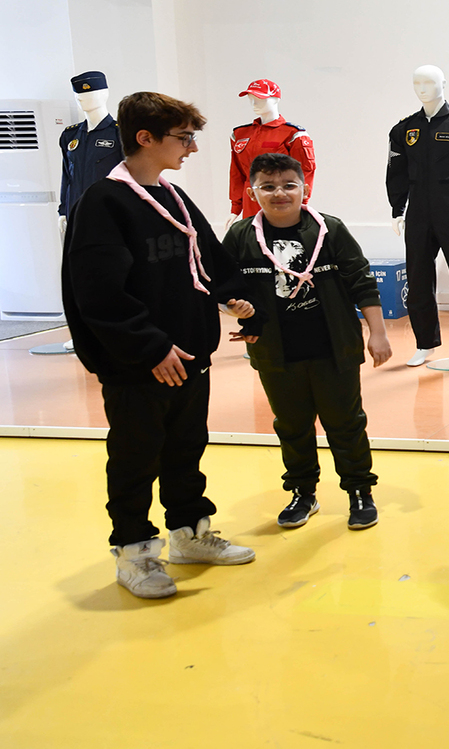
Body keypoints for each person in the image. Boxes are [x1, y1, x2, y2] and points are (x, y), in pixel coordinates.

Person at [62, 91, 259, 600]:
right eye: (184, 138)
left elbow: (207, 257)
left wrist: (235, 297)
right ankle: (134, 553)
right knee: (135, 458)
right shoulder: (103, 203)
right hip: (140, 363)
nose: (192, 148)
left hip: (189, 355)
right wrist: (149, 347)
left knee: (185, 450)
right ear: (145, 138)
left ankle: (189, 534)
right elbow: (97, 293)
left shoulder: (173, 196)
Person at [223, 152, 392, 532]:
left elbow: (361, 280)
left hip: (334, 348)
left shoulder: (329, 229)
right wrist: (234, 309)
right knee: (291, 426)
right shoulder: (240, 236)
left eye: (289, 185)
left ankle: (359, 491)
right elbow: (223, 288)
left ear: (304, 188)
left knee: (346, 423)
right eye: (268, 186)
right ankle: (303, 492)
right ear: (252, 192)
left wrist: (377, 333)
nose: (279, 193)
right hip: (275, 352)